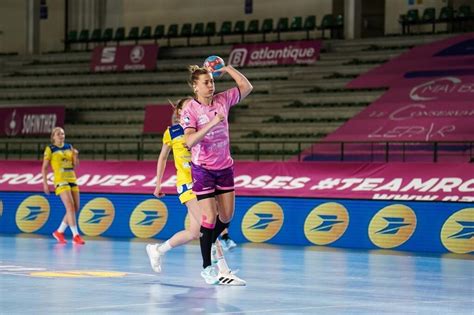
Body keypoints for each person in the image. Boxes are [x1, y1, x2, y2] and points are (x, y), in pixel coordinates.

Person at [146, 99, 243, 285]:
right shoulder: (172, 132)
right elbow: (163, 157)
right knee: (209, 222)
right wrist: (158, 183)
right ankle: (223, 271)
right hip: (187, 186)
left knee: (193, 232)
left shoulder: (200, 128)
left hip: (203, 180)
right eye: (183, 110)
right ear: (179, 112)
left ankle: (157, 250)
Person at [181, 62, 253, 284]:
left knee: (227, 216)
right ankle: (206, 267)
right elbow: (189, 141)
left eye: (212, 81)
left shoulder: (223, 99)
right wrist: (212, 123)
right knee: (209, 217)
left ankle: (210, 241)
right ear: (195, 87)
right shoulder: (190, 109)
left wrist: (228, 68)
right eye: (206, 82)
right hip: (202, 169)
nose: (211, 86)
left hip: (225, 167)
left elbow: (247, 86)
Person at [41, 127, 85, 245]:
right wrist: (45, 183)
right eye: (58, 134)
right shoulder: (50, 149)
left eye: (63, 134)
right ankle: (76, 235)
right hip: (60, 179)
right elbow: (44, 167)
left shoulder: (69, 147)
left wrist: (75, 156)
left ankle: (59, 232)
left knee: (75, 208)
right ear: (53, 137)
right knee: (70, 207)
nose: (61, 136)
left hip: (72, 177)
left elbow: (75, 165)